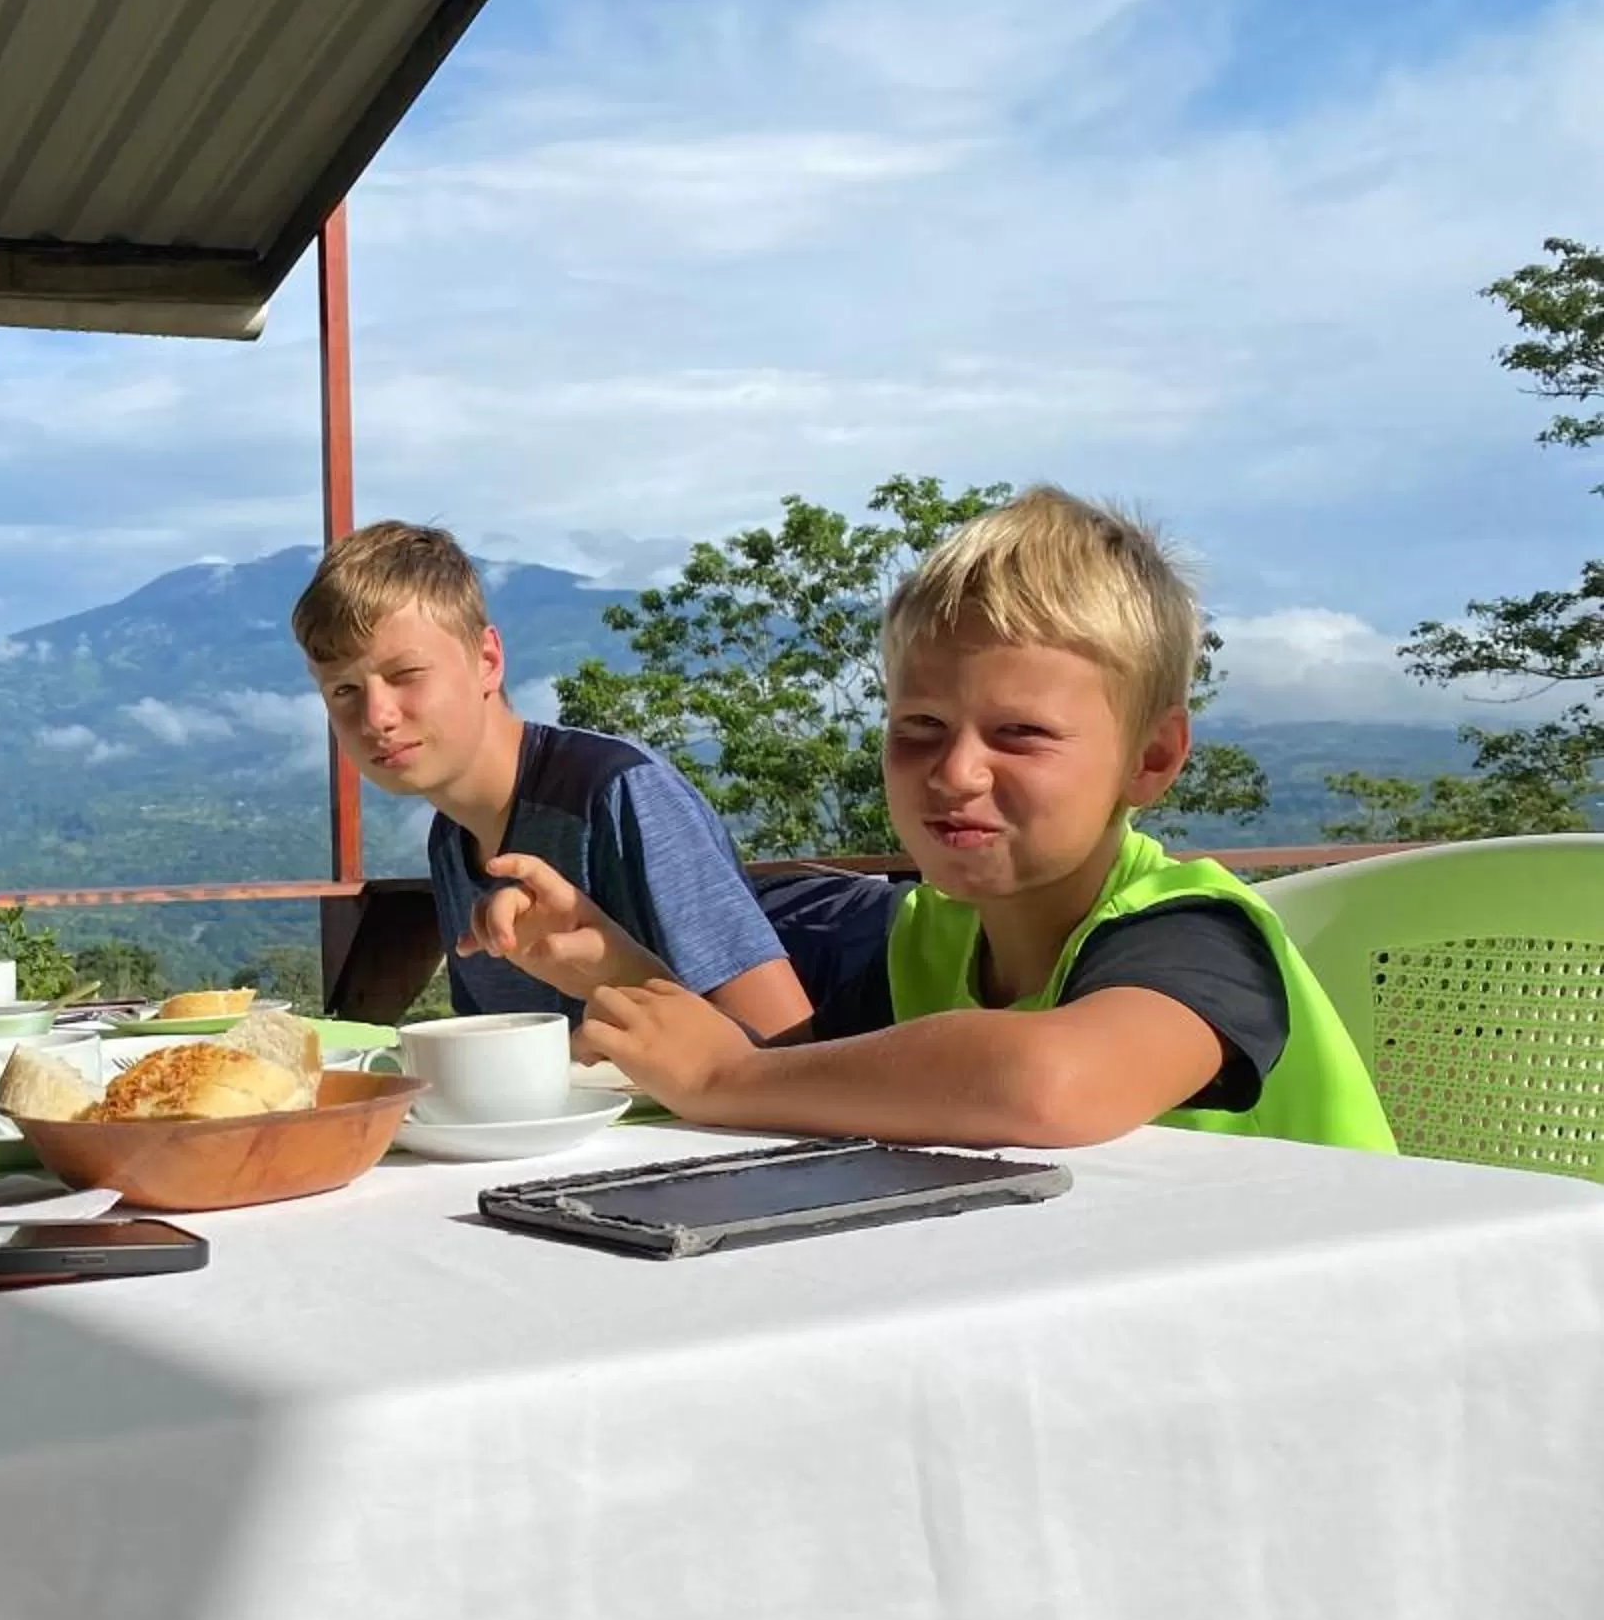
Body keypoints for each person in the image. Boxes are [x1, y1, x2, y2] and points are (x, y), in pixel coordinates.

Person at [466, 488, 1397, 1152]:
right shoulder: (931, 940)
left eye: (1020, 734)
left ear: (1150, 758)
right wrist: (618, 967)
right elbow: (814, 1076)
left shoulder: (1193, 934)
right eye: (919, 728)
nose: (954, 772)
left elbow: (1046, 1085)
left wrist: (725, 1081)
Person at [291, 521, 815, 1040]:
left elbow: (786, 1044)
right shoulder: (451, 839)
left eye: (405, 675)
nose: (376, 716)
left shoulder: (617, 794)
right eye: (343, 691)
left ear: (487, 661)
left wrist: (619, 975)